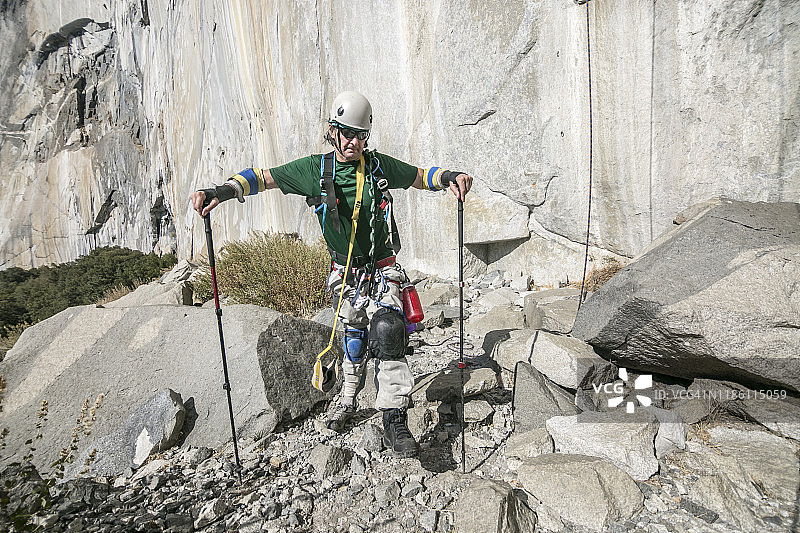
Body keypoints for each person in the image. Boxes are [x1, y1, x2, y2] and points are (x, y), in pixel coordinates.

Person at [191, 91, 472, 458]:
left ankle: (394, 418)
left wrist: (449, 177)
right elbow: (263, 178)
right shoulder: (314, 170)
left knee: (388, 330)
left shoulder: (377, 167)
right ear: (332, 130)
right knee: (353, 336)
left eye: (360, 135)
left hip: (383, 267)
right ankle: (349, 398)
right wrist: (223, 191)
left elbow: (418, 176)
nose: (354, 142)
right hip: (345, 273)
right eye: (347, 133)